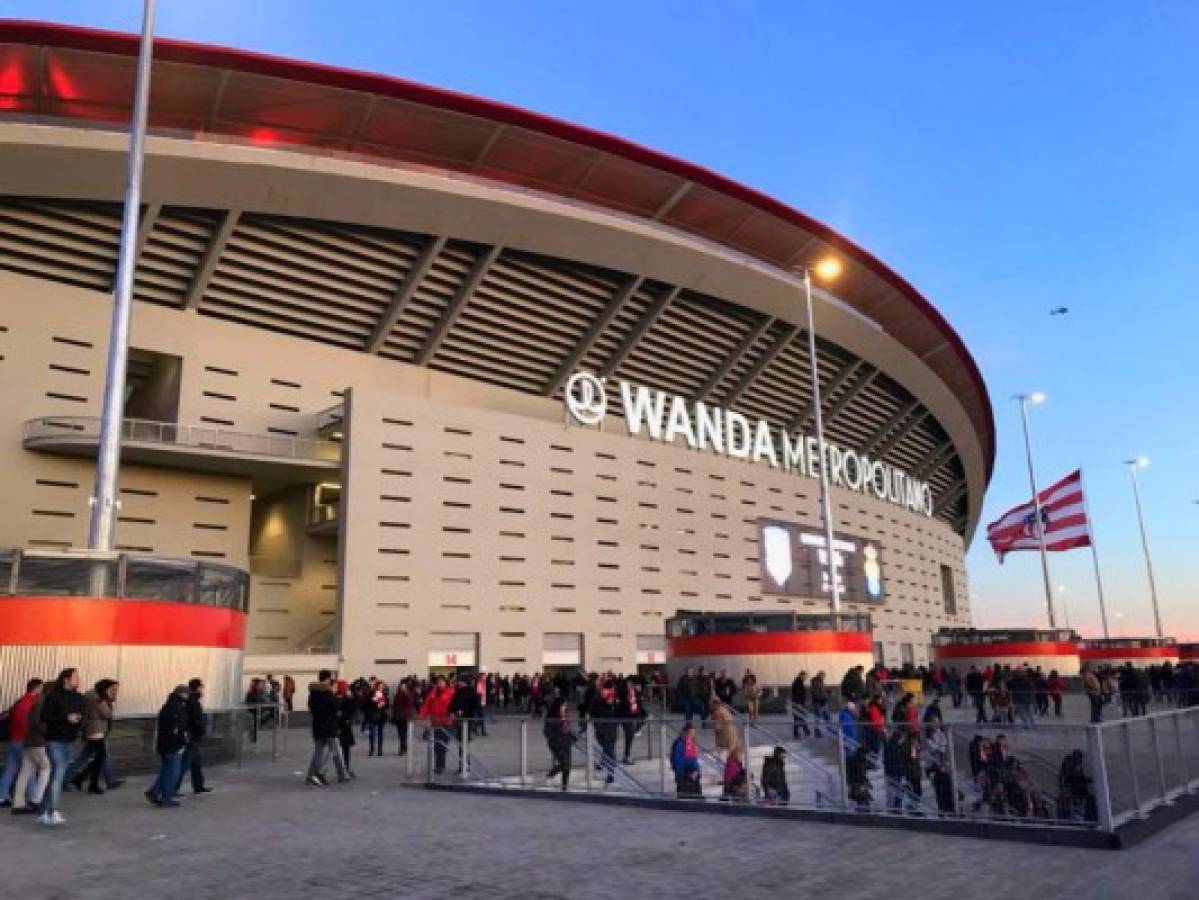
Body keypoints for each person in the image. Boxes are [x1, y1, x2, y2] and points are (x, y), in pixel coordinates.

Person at [38, 667, 85, 826]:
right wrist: (66, 717)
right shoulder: (53, 696)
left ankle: (44, 811)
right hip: (54, 740)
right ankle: (53, 811)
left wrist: (79, 719)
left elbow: (83, 714)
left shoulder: (79, 697)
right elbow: (45, 716)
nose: (78, 679)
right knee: (58, 773)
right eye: (75, 677)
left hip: (69, 740)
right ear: (66, 679)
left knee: (55, 776)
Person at [69, 678, 119, 794]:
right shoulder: (99, 700)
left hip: (94, 731)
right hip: (96, 732)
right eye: (112, 689)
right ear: (105, 688)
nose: (114, 691)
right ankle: (83, 780)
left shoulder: (94, 698)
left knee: (94, 757)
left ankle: (87, 781)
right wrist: (109, 703)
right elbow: (107, 714)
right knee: (100, 757)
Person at [2, 678, 44, 812]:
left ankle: (2, 796)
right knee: (29, 770)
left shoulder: (20, 701)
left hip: (13, 739)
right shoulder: (30, 703)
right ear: (36, 688)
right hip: (23, 740)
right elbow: (26, 722)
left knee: (10, 769)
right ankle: (34, 798)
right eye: (41, 688)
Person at [146, 685, 189, 808]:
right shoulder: (178, 708)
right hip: (173, 745)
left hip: (164, 743)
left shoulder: (167, 706)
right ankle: (166, 798)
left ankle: (154, 791)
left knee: (166, 770)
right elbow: (179, 729)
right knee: (172, 773)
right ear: (183, 694)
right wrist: (183, 741)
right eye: (187, 694)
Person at [306, 669, 348, 787]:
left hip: (317, 727)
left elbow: (312, 708)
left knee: (318, 753)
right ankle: (340, 775)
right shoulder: (328, 693)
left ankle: (310, 776)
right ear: (328, 679)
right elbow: (335, 706)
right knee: (336, 752)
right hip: (330, 727)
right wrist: (339, 696)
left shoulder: (313, 693)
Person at [172, 678, 212, 796]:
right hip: (192, 737)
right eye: (201, 687)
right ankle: (174, 788)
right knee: (185, 763)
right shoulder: (192, 701)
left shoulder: (193, 700)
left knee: (196, 762)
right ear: (197, 688)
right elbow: (194, 719)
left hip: (194, 736)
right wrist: (199, 729)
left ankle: (198, 785)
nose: (202, 689)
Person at [418, 676, 455, 775]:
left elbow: (454, 706)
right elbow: (426, 705)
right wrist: (422, 716)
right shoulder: (433, 693)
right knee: (436, 745)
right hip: (435, 722)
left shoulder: (451, 692)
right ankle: (439, 765)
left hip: (446, 723)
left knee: (442, 745)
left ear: (445, 683)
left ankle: (440, 766)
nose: (439, 684)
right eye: (438, 682)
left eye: (441, 682)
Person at [589, 680, 619, 784]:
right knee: (608, 750)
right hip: (603, 729)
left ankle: (609, 772)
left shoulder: (614, 699)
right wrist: (605, 702)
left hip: (611, 729)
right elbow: (593, 712)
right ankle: (607, 769)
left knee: (609, 751)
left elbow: (618, 712)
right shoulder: (598, 699)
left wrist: (613, 703)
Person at [544, 696, 573, 790]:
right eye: (563, 705)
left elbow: (567, 728)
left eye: (565, 705)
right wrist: (554, 736)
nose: (565, 707)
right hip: (556, 743)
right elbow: (547, 731)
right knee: (564, 763)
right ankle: (552, 773)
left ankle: (565, 785)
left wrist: (571, 736)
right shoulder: (552, 716)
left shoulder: (566, 715)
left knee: (567, 765)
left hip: (566, 741)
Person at [616, 676, 646, 765]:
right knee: (615, 737)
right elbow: (622, 703)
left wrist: (644, 714)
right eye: (636, 685)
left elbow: (638, 705)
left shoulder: (636, 692)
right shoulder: (622, 690)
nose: (638, 687)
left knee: (629, 735)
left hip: (631, 716)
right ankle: (625, 756)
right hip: (623, 715)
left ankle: (627, 755)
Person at [670, 722, 702, 798]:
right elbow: (678, 761)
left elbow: (694, 758)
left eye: (693, 733)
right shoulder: (679, 744)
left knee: (697, 781)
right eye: (690, 733)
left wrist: (697, 770)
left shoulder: (691, 742)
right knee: (684, 790)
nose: (692, 735)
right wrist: (689, 771)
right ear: (684, 732)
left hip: (691, 771)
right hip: (682, 772)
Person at [334, 680, 357, 777]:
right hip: (345, 727)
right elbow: (352, 711)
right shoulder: (347, 699)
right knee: (345, 750)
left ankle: (343, 769)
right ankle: (345, 768)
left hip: (337, 727)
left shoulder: (335, 698)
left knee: (339, 750)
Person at [364, 679, 388, 756]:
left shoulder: (384, 694)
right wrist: (375, 704)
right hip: (373, 715)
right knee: (372, 734)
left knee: (380, 734)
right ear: (376, 687)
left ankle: (380, 750)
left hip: (381, 716)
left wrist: (383, 704)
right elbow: (367, 704)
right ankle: (371, 749)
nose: (381, 688)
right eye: (380, 686)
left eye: (382, 686)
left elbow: (386, 705)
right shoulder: (371, 694)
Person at [391, 680, 413, 756]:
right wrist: (394, 714)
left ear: (406, 687)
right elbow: (394, 705)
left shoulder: (408, 695)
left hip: (405, 717)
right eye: (401, 686)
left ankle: (402, 747)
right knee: (400, 733)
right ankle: (403, 746)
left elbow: (410, 705)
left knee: (404, 733)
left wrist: (407, 714)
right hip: (398, 717)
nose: (402, 688)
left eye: (404, 687)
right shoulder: (397, 695)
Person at [790, 671, 810, 738]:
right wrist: (798, 703)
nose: (806, 678)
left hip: (798, 703)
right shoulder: (798, 683)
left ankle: (805, 731)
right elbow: (797, 694)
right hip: (798, 704)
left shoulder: (798, 682)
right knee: (799, 718)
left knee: (799, 718)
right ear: (802, 675)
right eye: (805, 676)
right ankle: (804, 731)